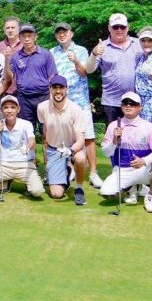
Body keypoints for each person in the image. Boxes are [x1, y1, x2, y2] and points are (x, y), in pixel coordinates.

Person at [50, 23, 100, 188]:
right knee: (64, 138)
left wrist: (76, 61)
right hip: (60, 102)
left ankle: (93, 173)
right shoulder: (52, 52)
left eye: (65, 32)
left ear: (71, 34)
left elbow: (84, 73)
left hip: (80, 101)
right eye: (59, 32)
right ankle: (70, 169)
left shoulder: (81, 50)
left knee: (88, 138)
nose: (62, 34)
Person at [100, 92, 152, 213]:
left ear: (140, 107)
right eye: (125, 103)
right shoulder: (113, 126)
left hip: (144, 169)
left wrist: (144, 161)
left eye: (133, 104)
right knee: (106, 193)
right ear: (121, 106)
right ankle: (133, 188)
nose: (128, 106)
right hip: (122, 170)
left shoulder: (149, 127)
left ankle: (149, 197)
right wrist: (114, 141)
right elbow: (106, 153)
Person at [0, 95, 44, 197]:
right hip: (4, 165)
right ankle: (5, 184)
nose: (9, 110)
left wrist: (27, 147)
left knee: (37, 192)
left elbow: (32, 140)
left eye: (13, 107)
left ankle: (28, 184)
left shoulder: (26, 124)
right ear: (1, 110)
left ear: (18, 109)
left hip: (25, 165)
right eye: (6, 107)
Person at [37, 75, 89, 205]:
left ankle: (79, 188)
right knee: (56, 194)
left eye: (61, 88)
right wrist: (48, 159)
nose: (58, 91)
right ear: (50, 89)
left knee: (80, 158)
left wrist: (70, 151)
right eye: (55, 88)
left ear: (67, 89)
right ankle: (67, 170)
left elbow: (81, 140)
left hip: (72, 148)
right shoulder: (42, 107)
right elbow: (45, 132)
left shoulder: (76, 109)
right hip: (54, 150)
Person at [88, 13, 138, 125]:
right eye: (115, 27)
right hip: (112, 102)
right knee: (114, 134)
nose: (119, 30)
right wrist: (94, 54)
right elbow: (89, 70)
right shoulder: (101, 46)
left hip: (135, 100)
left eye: (122, 27)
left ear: (128, 27)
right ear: (109, 28)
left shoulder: (139, 43)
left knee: (135, 133)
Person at [9, 24, 58, 131]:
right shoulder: (15, 57)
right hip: (24, 98)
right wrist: (5, 60)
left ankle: (47, 143)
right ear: (20, 38)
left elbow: (52, 76)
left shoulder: (46, 54)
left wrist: (52, 97)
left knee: (46, 130)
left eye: (30, 36)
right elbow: (9, 76)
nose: (27, 39)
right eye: (24, 36)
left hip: (43, 96)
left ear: (35, 36)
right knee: (26, 130)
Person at [0, 16, 22, 96]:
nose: (10, 30)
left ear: (19, 29)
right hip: (3, 90)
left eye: (13, 27)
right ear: (4, 30)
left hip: (22, 91)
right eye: (7, 28)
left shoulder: (25, 45)